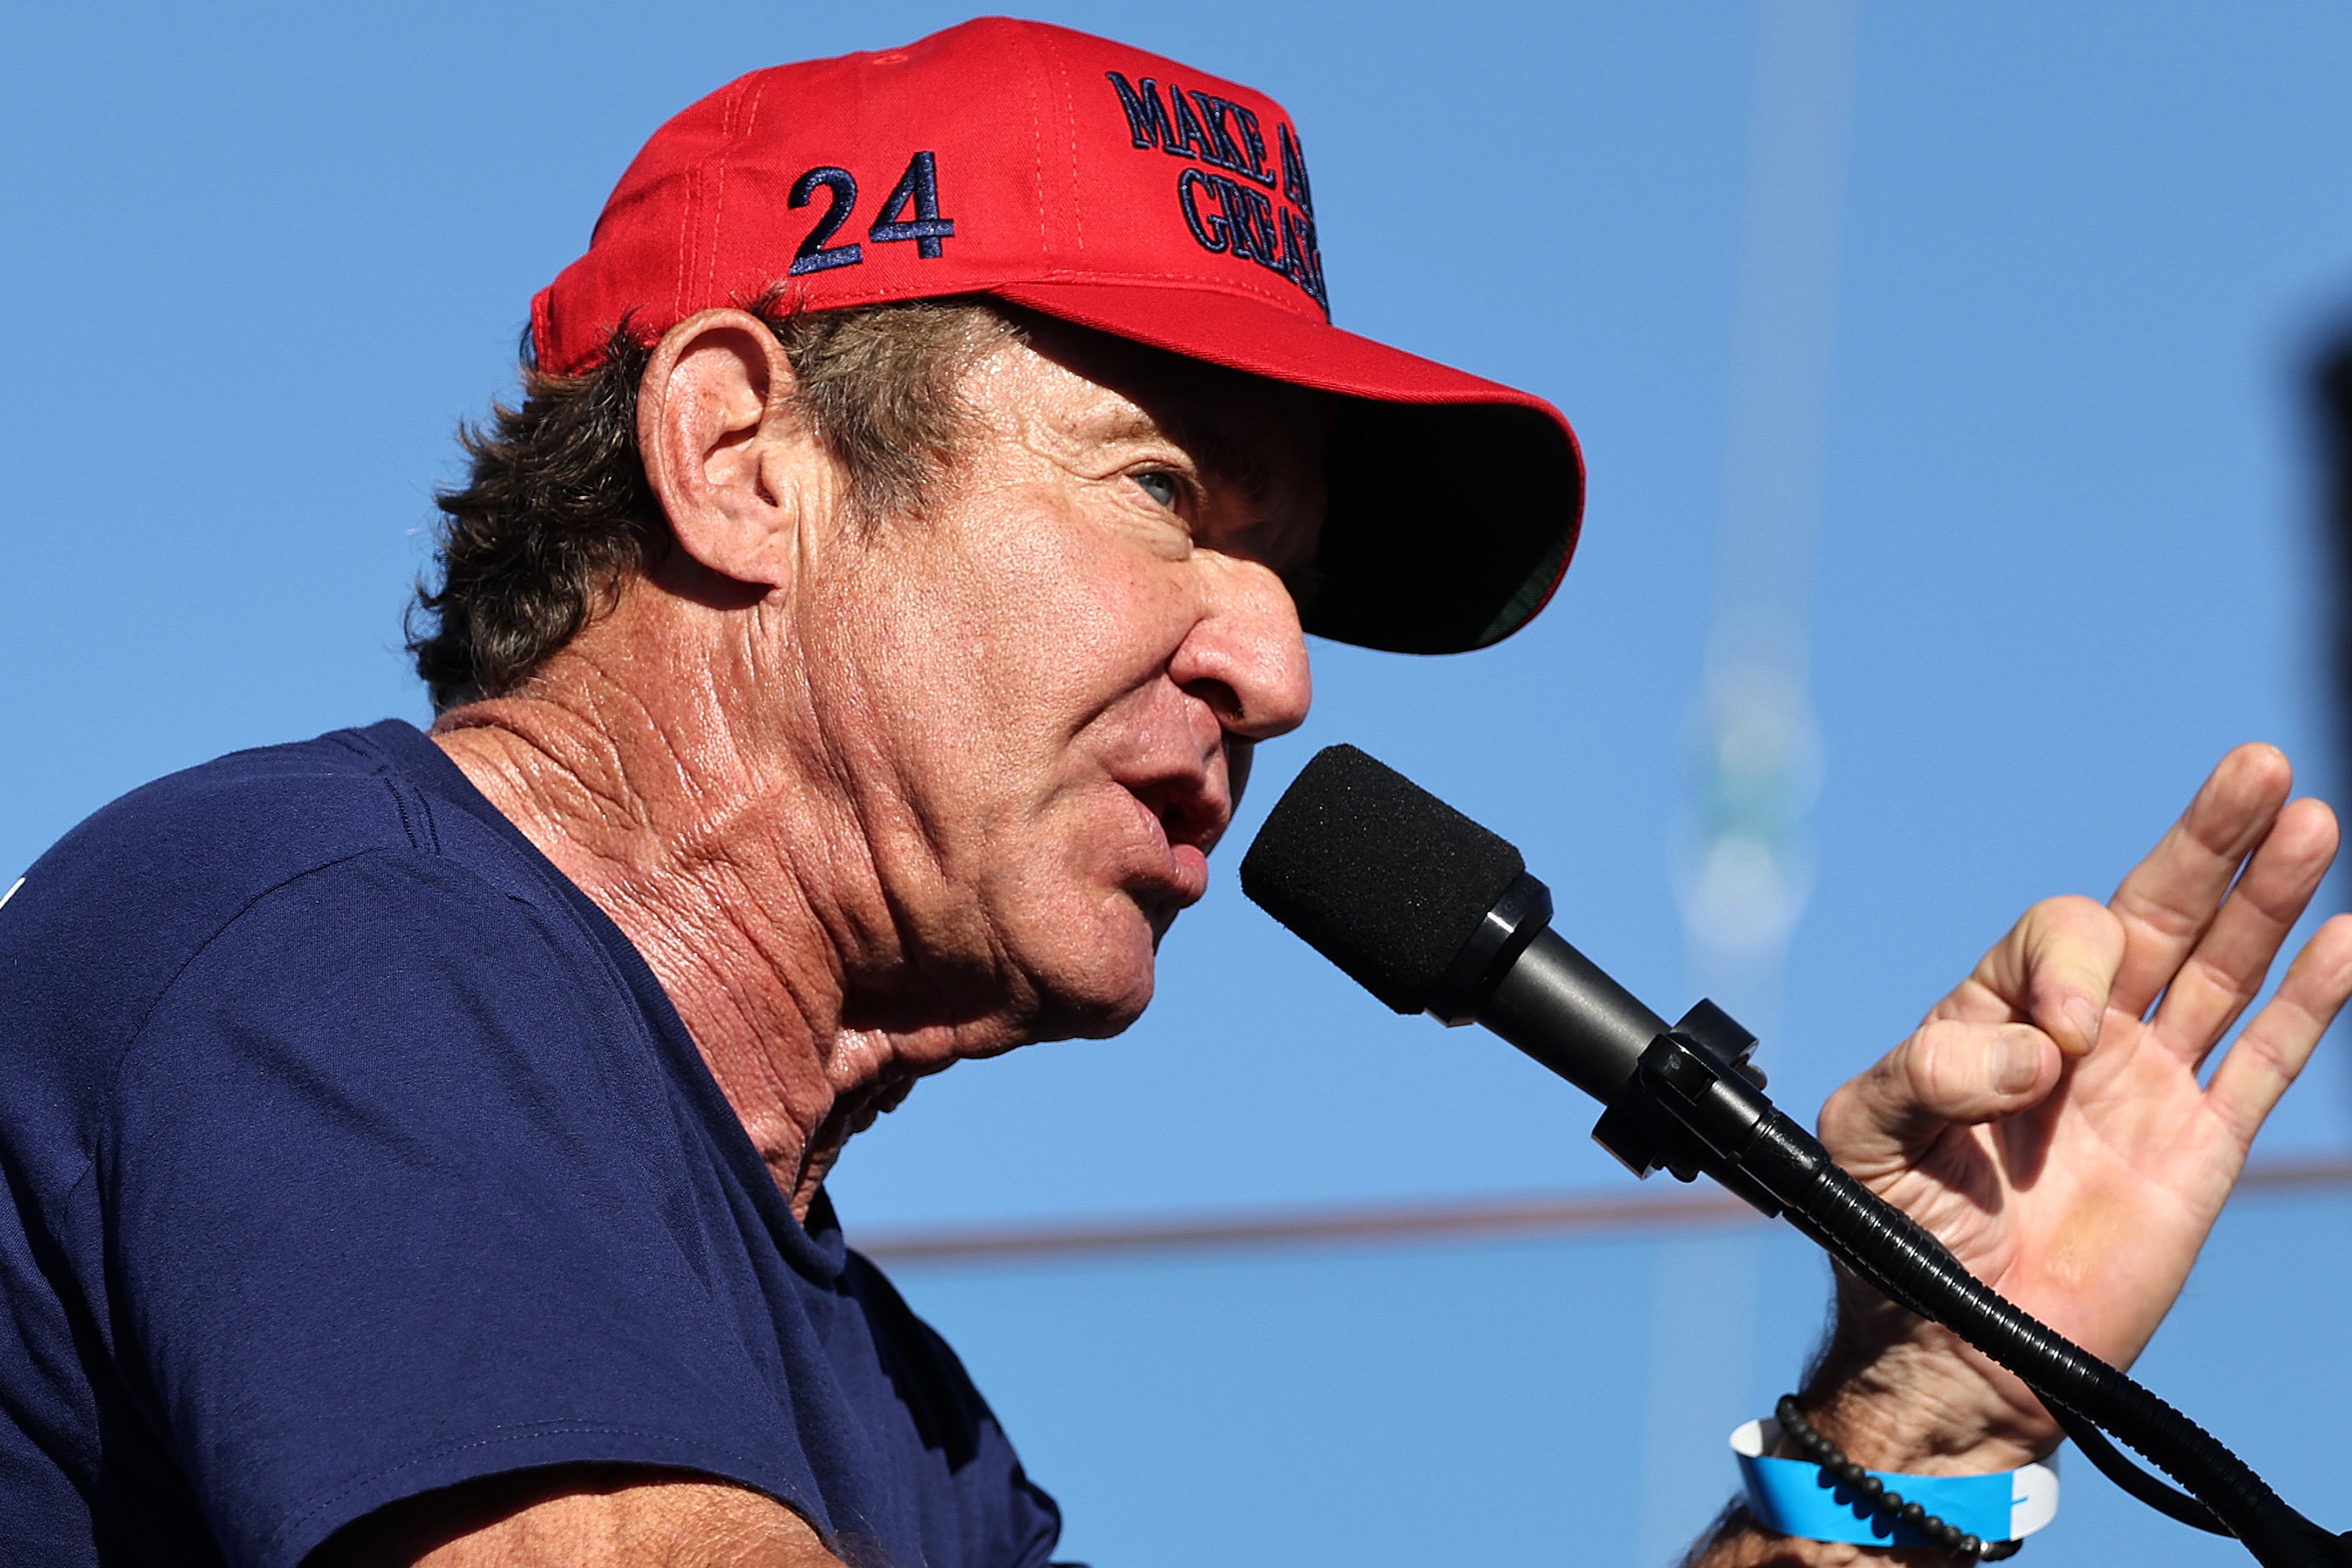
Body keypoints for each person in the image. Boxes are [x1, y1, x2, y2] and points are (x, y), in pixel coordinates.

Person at [0, 17, 2344, 1568]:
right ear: (740, 459)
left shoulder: (895, 1420)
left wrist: (1913, 1414)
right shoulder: (335, 941)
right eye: (1167, 493)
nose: (1280, 662)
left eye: (1290, 570)